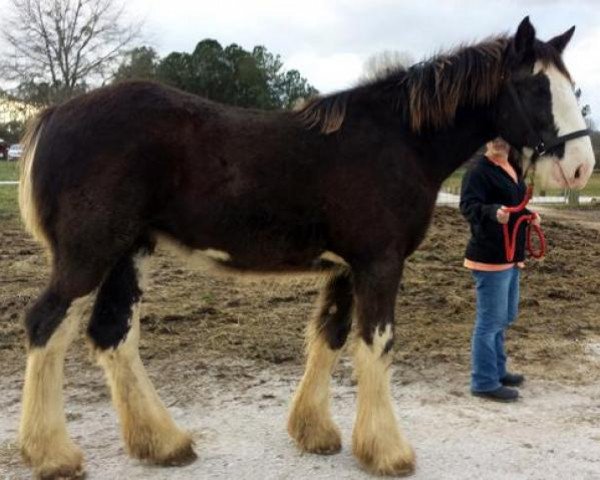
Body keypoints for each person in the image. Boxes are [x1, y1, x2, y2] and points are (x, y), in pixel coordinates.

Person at [460, 137, 541, 402]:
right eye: (494, 138)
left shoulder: (511, 166)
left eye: (504, 138)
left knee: (504, 316)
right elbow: (468, 207)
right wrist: (493, 212)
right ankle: (483, 381)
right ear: (486, 140)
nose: (500, 143)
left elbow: (515, 202)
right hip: (490, 255)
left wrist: (529, 214)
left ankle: (497, 370)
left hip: (511, 255)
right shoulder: (478, 171)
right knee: (489, 321)